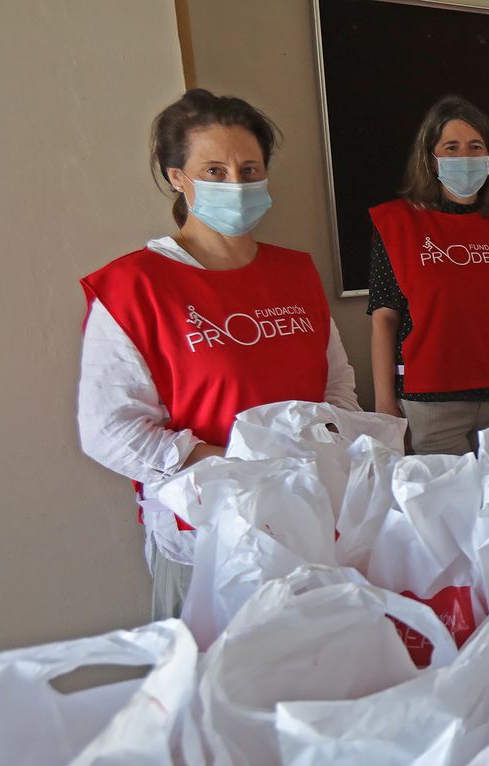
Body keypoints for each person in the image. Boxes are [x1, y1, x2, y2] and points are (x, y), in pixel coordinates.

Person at [78, 89, 358, 621]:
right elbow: (108, 429)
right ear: (177, 176)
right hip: (207, 535)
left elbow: (337, 386)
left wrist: (320, 450)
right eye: (214, 170)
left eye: (249, 170)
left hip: (311, 520)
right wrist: (241, 463)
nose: (237, 184)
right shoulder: (134, 288)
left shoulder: (295, 273)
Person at [368, 95, 489, 454]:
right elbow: (385, 319)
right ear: (431, 160)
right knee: (445, 507)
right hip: (431, 403)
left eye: (475, 146)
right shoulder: (396, 224)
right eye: (451, 147)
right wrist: (385, 406)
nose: (465, 156)